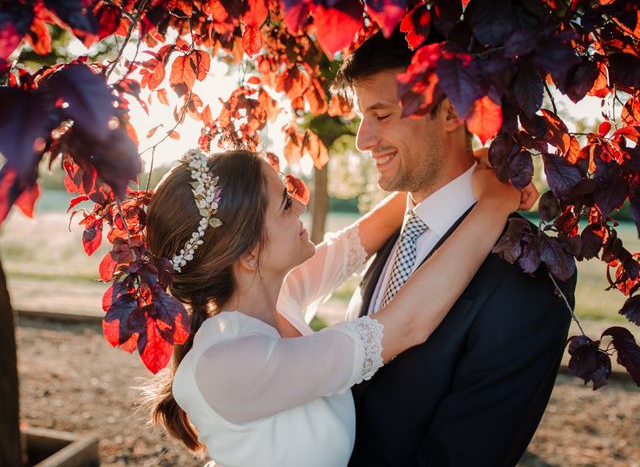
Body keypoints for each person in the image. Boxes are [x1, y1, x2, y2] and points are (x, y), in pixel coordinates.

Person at [144, 148, 534, 467]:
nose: (299, 203)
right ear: (248, 253)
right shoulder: (227, 362)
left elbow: (357, 241)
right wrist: (496, 202)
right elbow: (408, 324)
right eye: (283, 204)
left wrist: (458, 171)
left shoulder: (280, 296)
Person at [331, 29, 578, 466]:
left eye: (382, 115)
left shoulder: (526, 273)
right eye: (362, 118)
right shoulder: (387, 232)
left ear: (450, 112)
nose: (362, 140)